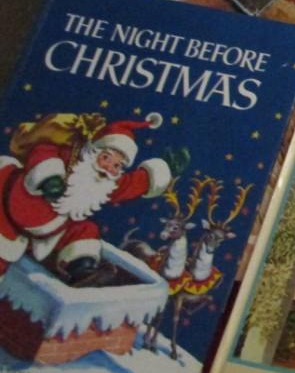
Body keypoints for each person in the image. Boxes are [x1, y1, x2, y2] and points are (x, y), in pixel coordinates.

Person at [0, 113, 172, 283]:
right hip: (8, 209)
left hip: (49, 229)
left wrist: (155, 175)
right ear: (93, 152)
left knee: (86, 230)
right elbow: (44, 150)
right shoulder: (71, 158)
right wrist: (49, 177)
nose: (108, 168)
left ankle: (82, 269)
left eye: (117, 166)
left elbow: (130, 185)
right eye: (106, 158)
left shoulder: (104, 183)